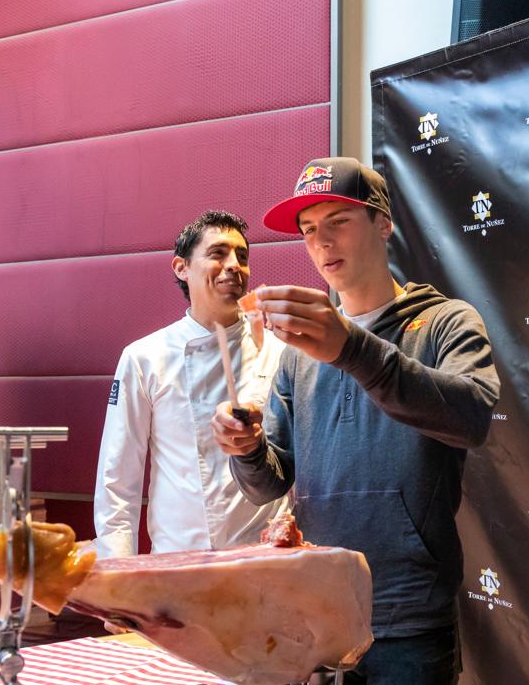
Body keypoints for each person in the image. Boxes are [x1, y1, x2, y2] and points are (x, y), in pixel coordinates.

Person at [212, 157, 501, 684]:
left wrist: (351, 349)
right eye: (308, 231)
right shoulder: (299, 353)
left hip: (408, 615)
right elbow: (270, 483)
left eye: (338, 221)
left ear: (383, 223)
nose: (322, 242)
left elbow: (471, 416)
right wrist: (247, 447)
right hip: (315, 612)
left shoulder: (446, 322)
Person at [93, 210, 288, 558]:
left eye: (242, 256)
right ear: (181, 268)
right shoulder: (145, 357)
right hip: (179, 559)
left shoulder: (281, 351)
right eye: (218, 253)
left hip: (266, 559)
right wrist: (116, 581)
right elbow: (118, 480)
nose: (234, 265)